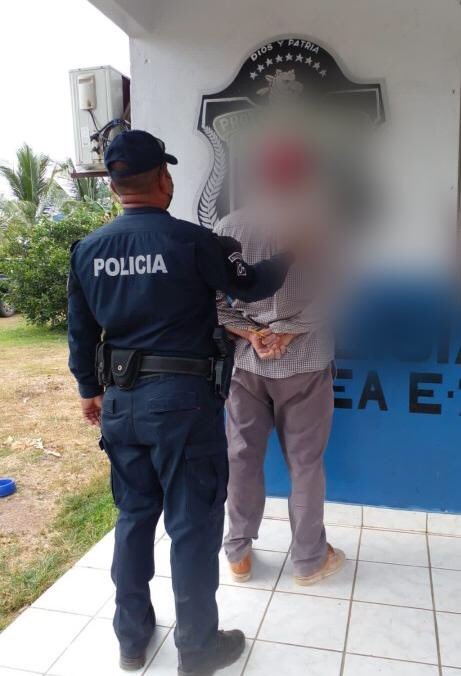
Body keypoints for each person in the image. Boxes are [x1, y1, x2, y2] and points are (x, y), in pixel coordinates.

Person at [67, 130, 292, 675]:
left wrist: (89, 390)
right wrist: (295, 251)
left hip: (122, 404)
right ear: (164, 180)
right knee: (191, 525)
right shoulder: (194, 242)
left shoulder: (88, 250)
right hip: (184, 406)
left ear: (114, 185)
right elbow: (253, 285)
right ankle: (197, 648)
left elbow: (81, 332)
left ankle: (131, 639)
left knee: (134, 517)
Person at [215, 205, 345, 587]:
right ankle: (309, 559)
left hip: (247, 361)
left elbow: (212, 299)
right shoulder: (322, 220)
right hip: (305, 361)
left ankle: (237, 554)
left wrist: (252, 333)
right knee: (305, 464)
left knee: (241, 458)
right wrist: (288, 330)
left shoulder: (228, 226)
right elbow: (339, 291)